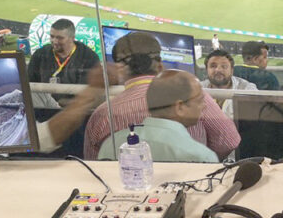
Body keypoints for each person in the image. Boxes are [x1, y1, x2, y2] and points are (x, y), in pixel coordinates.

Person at [84, 31, 240, 160]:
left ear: (119, 70)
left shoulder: (102, 114)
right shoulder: (193, 94)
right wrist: (203, 159)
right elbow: (229, 141)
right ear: (159, 65)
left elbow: (95, 165)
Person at [97, 70, 218, 163]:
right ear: (180, 107)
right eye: (200, 100)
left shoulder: (110, 145)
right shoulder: (201, 157)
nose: (204, 106)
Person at [27, 18, 101, 93]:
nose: (54, 41)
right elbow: (29, 83)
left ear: (72, 38)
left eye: (60, 38)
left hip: (77, 100)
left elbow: (89, 93)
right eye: (52, 36)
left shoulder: (89, 58)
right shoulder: (40, 55)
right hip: (44, 99)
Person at [200, 48, 257, 119]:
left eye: (224, 66)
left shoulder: (246, 89)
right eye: (213, 66)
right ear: (206, 70)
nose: (218, 70)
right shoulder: (197, 90)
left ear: (232, 70)